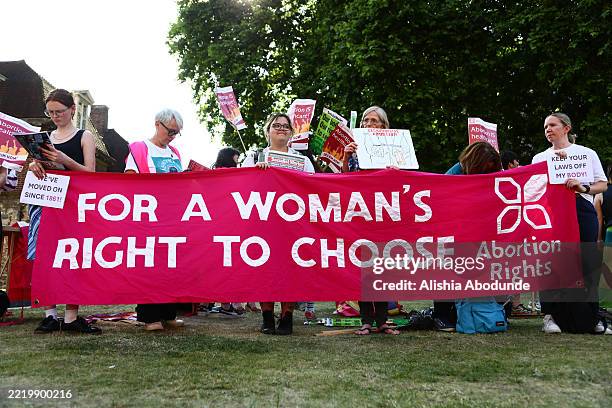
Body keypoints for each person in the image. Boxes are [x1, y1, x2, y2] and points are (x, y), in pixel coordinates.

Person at [28, 89, 100, 334]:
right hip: (46, 202)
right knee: (44, 257)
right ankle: (50, 315)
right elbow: (40, 166)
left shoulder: (85, 136)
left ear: (72, 110)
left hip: (73, 205)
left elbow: (90, 173)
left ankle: (71, 317)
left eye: (60, 111)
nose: (56, 116)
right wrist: (34, 165)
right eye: (51, 112)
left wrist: (64, 158)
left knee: (72, 257)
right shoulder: (44, 136)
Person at [532, 113, 608, 334]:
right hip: (552, 213)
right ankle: (550, 315)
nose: (548, 129)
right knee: (552, 260)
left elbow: (601, 184)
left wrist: (583, 188)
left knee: (587, 260)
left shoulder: (586, 153)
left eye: (553, 125)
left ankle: (591, 317)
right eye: (545, 126)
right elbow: (533, 187)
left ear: (566, 128)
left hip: (582, 209)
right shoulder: (539, 158)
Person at [242, 112, 314, 334]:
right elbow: (241, 185)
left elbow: (313, 186)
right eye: (276, 125)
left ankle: (287, 317)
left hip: (292, 223)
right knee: (265, 269)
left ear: (292, 133)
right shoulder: (255, 157)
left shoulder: (303, 161)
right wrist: (256, 174)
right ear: (268, 131)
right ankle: (266, 317)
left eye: (286, 126)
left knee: (290, 269)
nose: (281, 129)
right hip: (263, 222)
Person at [339, 106, 399, 335]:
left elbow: (403, 182)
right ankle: (366, 320)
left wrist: (395, 171)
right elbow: (344, 180)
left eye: (375, 121)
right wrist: (345, 157)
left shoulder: (395, 150)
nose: (369, 124)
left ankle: (382, 320)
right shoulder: (353, 151)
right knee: (363, 266)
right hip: (361, 214)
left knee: (382, 266)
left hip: (385, 215)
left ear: (384, 126)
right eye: (366, 120)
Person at [125, 108, 185, 331]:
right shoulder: (139, 148)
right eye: (170, 131)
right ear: (157, 124)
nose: (172, 136)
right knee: (149, 264)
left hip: (172, 215)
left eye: (176, 133)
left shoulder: (175, 153)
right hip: (148, 215)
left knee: (170, 263)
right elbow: (129, 179)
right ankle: (150, 316)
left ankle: (168, 313)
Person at [211, 147, 261, 314]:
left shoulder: (214, 175)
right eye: (236, 158)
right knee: (236, 263)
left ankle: (230, 302)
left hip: (226, 224)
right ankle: (236, 301)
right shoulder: (229, 175)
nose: (238, 161)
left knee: (226, 264)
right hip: (231, 224)